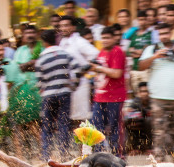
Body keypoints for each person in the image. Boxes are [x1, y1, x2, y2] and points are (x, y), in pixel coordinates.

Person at [139, 23, 174, 163]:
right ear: (158, 35)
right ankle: (159, 157)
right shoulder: (152, 49)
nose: (164, 36)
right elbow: (141, 66)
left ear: (171, 33)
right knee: (159, 130)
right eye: (161, 33)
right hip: (158, 97)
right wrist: (155, 56)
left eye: (166, 33)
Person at [35, 29, 80, 161]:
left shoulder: (41, 59)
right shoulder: (65, 54)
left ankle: (45, 155)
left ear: (43, 42)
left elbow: (40, 81)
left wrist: (44, 88)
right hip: (65, 93)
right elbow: (77, 68)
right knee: (64, 125)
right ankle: (64, 154)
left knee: (47, 126)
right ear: (56, 40)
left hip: (48, 95)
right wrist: (74, 84)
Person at [6, 24, 43, 160]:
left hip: (36, 91)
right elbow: (18, 69)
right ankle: (20, 156)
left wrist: (29, 64)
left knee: (33, 124)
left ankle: (43, 154)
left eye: (32, 33)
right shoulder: (20, 50)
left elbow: (39, 66)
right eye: (27, 33)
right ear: (23, 35)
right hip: (21, 90)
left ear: (37, 34)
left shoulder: (42, 48)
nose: (29, 35)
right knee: (18, 125)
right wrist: (31, 64)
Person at [91, 27, 127, 156]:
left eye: (107, 38)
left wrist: (99, 68)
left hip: (114, 97)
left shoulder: (118, 51)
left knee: (114, 129)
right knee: (95, 128)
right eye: (103, 38)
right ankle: (97, 156)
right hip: (99, 96)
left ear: (114, 38)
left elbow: (117, 73)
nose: (105, 41)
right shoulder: (101, 52)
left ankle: (117, 157)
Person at [59, 16, 99, 122]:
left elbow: (96, 56)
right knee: (69, 118)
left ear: (73, 27)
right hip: (67, 85)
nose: (63, 28)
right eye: (61, 26)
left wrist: (83, 71)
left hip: (81, 84)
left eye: (66, 25)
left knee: (81, 118)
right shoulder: (62, 42)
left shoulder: (79, 41)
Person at [128, 10, 153, 93]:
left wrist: (137, 52)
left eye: (143, 19)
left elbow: (151, 51)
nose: (141, 22)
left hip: (147, 71)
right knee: (137, 95)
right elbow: (128, 51)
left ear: (147, 20)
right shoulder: (134, 35)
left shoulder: (150, 34)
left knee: (147, 95)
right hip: (135, 70)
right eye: (140, 20)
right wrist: (140, 52)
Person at [124, 81, 152, 153]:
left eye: (146, 91)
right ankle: (134, 147)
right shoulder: (136, 101)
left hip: (151, 128)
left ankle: (150, 147)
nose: (145, 93)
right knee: (129, 121)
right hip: (139, 128)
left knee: (149, 121)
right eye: (142, 91)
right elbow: (128, 112)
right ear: (139, 93)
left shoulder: (153, 101)